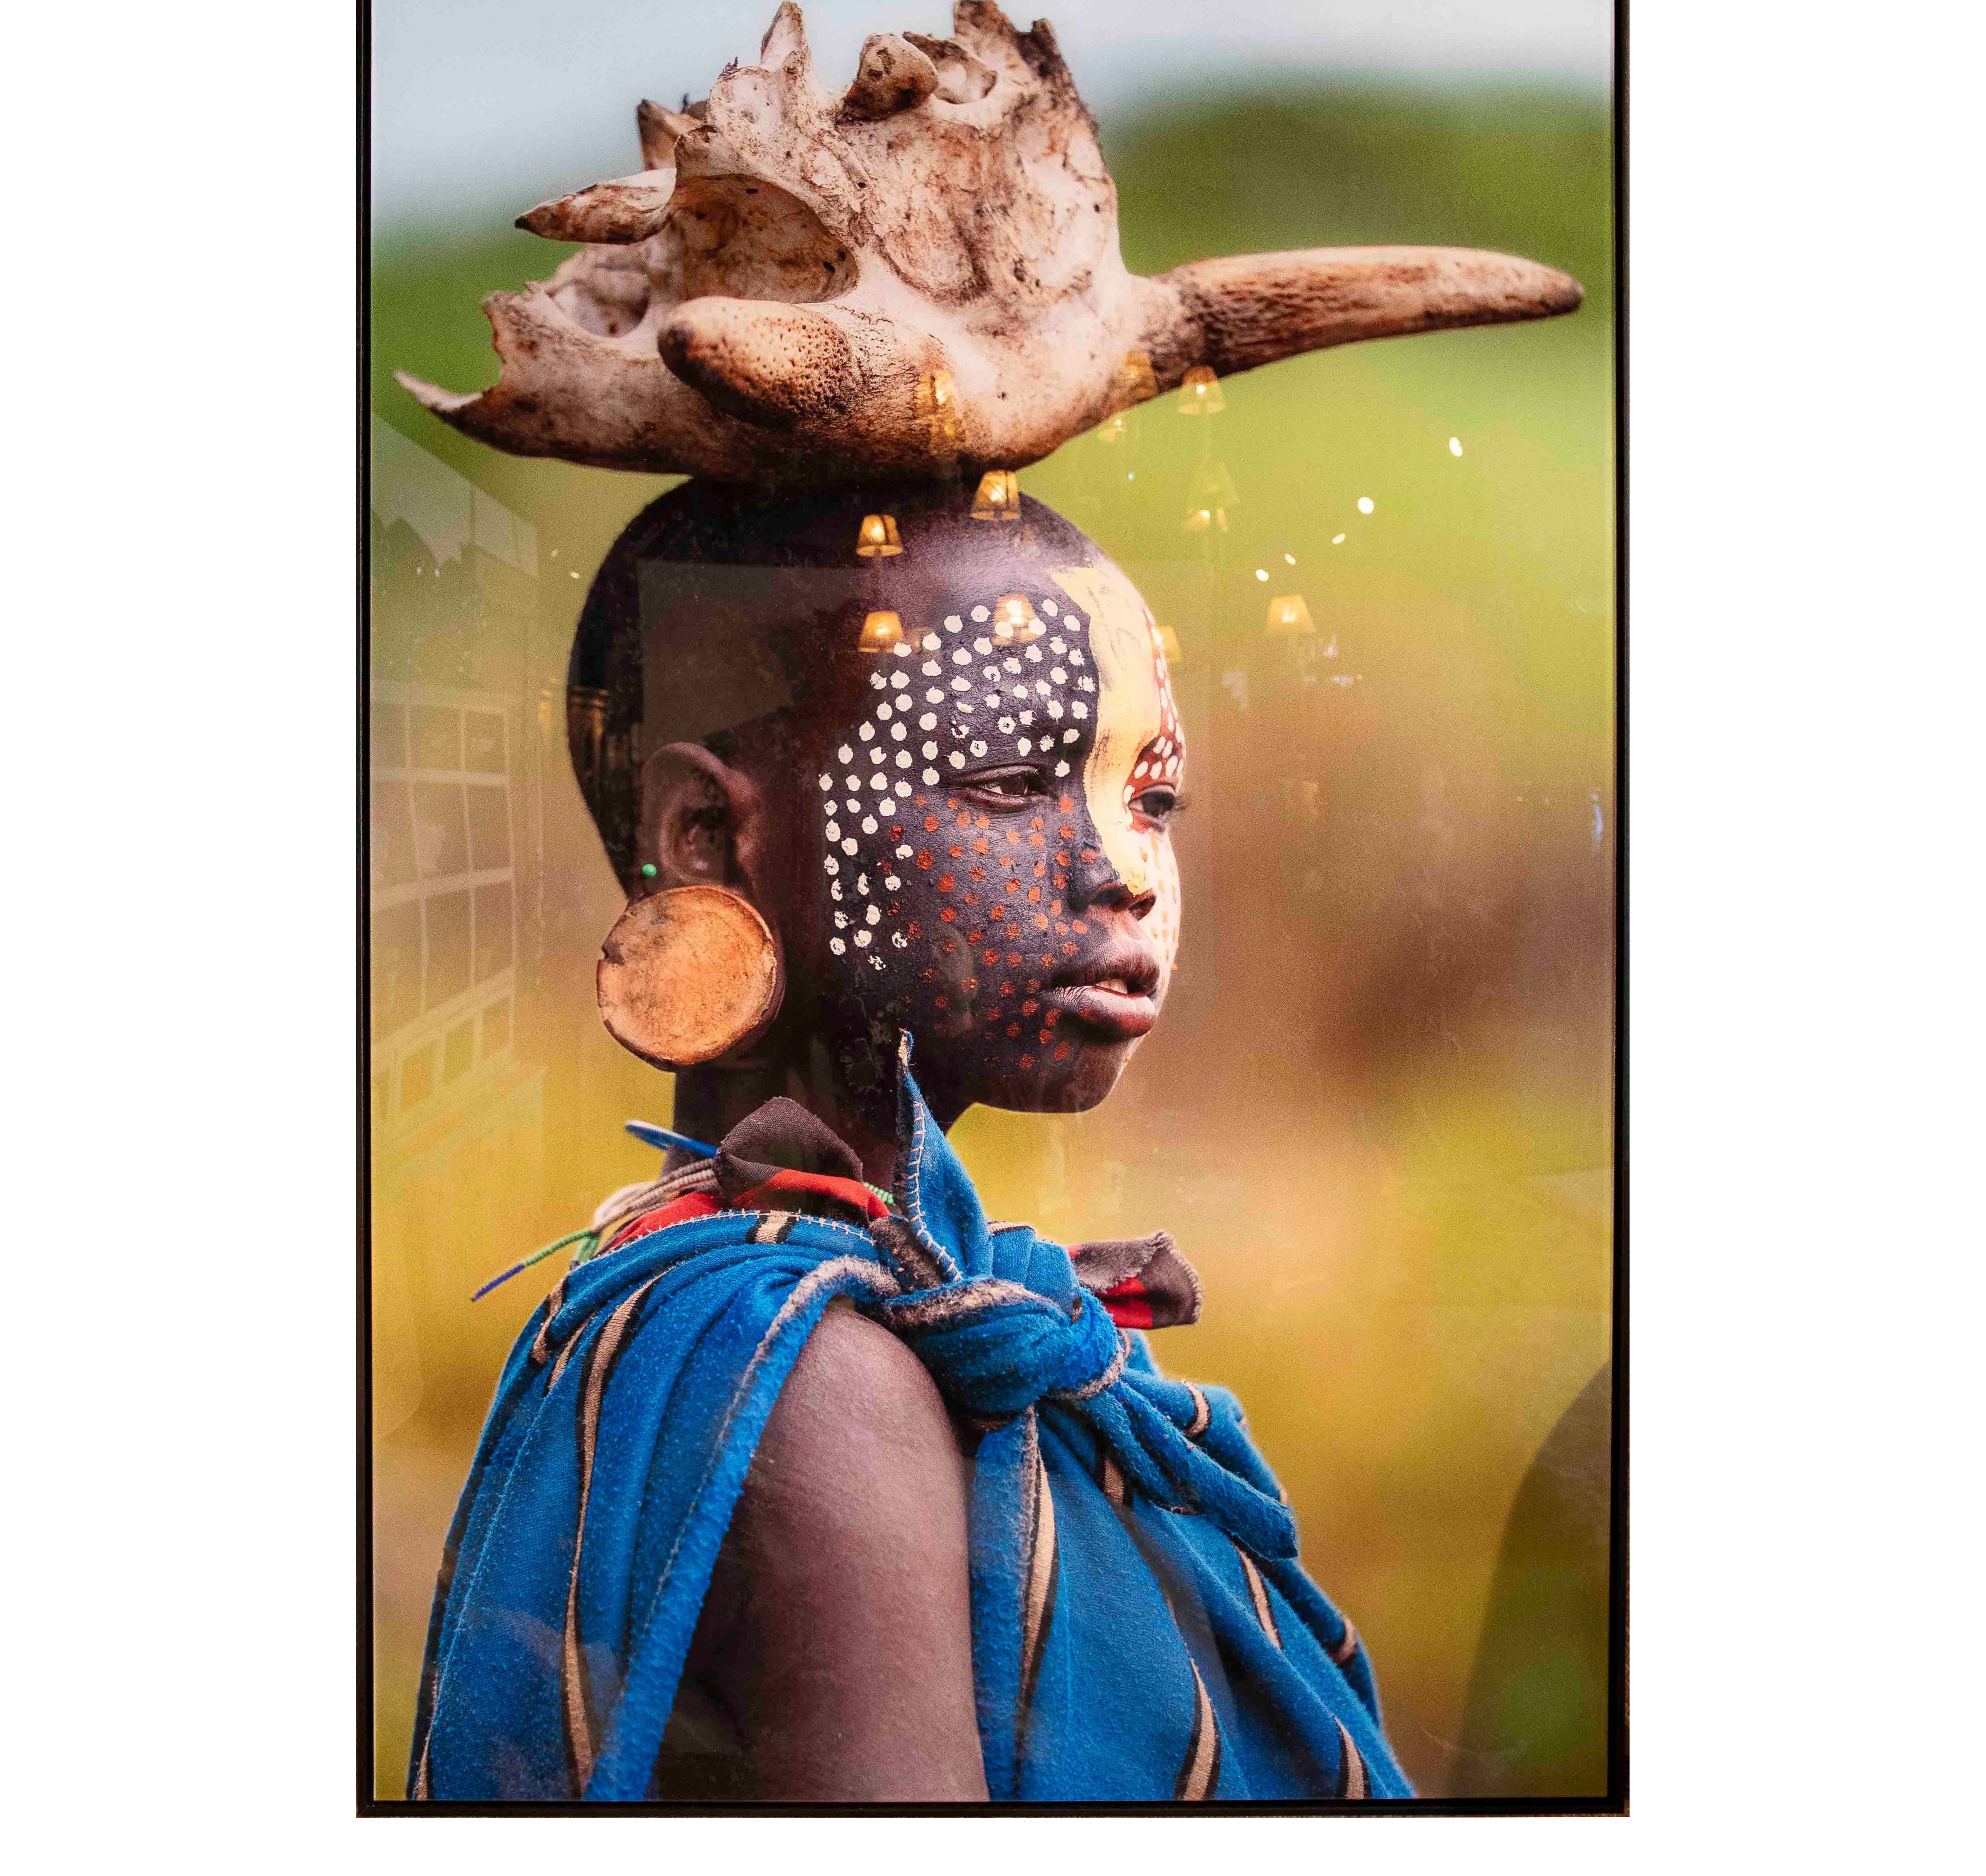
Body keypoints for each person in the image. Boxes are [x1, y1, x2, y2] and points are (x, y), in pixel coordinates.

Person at [408, 481, 1413, 1802]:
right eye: (1008, 781)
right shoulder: (815, 1375)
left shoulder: (884, 1309)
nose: (1124, 867)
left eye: (1150, 796)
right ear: (707, 835)